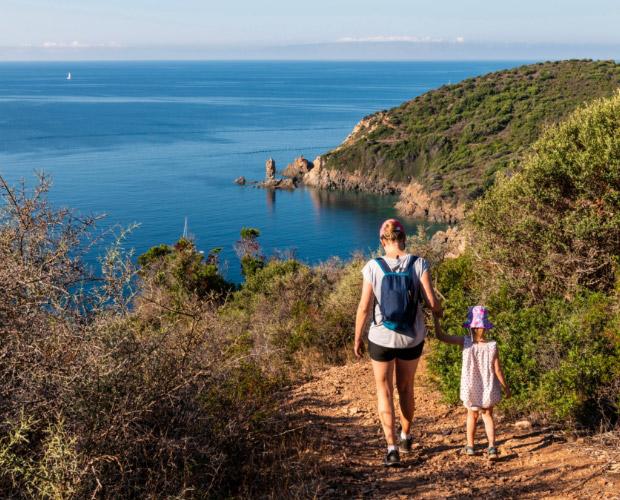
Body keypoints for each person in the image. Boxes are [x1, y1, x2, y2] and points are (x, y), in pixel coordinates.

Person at [354, 218, 442, 467]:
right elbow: (432, 302)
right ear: (404, 238)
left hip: (381, 337)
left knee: (384, 390)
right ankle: (405, 436)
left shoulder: (373, 266)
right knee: (406, 388)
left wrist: (357, 337)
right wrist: (440, 312)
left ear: (383, 240)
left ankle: (391, 448)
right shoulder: (419, 263)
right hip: (411, 337)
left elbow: (364, 307)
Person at [433, 306, 510, 459]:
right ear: (486, 327)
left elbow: (441, 336)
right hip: (488, 386)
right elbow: (497, 370)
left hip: (471, 387)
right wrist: (506, 387)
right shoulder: (492, 346)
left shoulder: (465, 342)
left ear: (471, 326)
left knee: (472, 415)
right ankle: (492, 447)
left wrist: (435, 318)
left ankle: (470, 446)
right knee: (488, 415)